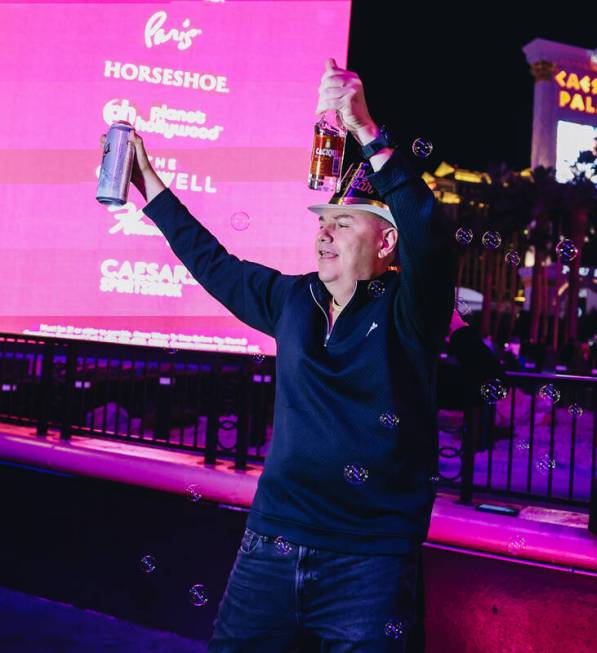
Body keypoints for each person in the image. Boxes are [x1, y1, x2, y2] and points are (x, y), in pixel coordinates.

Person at [105, 58, 456, 651]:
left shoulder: (410, 311)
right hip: (269, 548)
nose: (323, 233)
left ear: (387, 244)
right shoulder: (294, 299)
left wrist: (366, 129)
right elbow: (214, 264)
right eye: (324, 221)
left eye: (344, 224)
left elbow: (429, 228)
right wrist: (149, 184)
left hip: (368, 565)